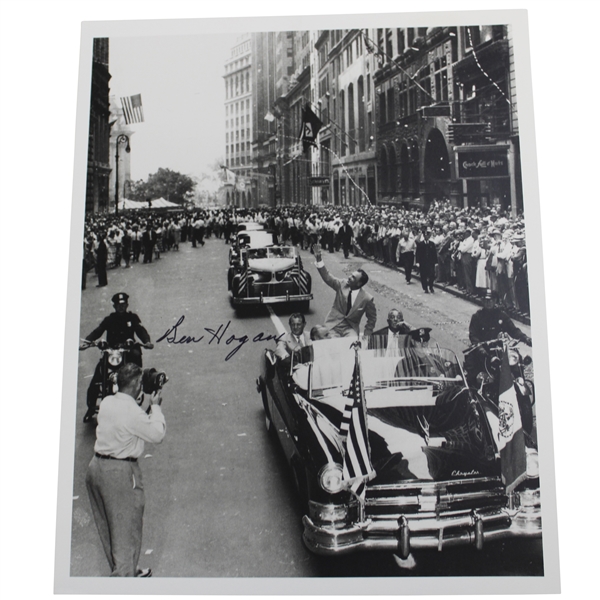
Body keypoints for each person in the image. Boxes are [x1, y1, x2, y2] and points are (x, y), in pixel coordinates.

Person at [85, 363, 166, 577]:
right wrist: (156, 406)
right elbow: (157, 433)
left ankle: (125, 570)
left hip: (96, 470)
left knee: (110, 531)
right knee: (126, 533)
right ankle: (124, 580)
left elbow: (133, 424)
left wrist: (145, 406)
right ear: (138, 385)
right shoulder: (132, 412)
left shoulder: (108, 402)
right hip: (118, 475)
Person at [81, 293, 154, 423]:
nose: (121, 307)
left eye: (123, 304)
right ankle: (91, 408)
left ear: (127, 305)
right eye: (118, 305)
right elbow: (98, 331)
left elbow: (140, 330)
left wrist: (147, 341)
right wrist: (87, 342)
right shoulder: (109, 319)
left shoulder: (132, 318)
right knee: (97, 377)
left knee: (136, 364)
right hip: (112, 352)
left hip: (128, 351)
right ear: (114, 306)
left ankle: (138, 388)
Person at [313, 243, 377, 338]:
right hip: (333, 325)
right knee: (330, 343)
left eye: (353, 277)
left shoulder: (367, 298)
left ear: (359, 284)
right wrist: (319, 260)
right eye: (351, 275)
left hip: (350, 328)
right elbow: (327, 277)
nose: (349, 277)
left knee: (352, 345)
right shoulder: (342, 285)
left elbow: (372, 319)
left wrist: (367, 335)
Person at [415, 227, 437, 294]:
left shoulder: (432, 244)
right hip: (423, 262)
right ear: (424, 236)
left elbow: (434, 254)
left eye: (428, 235)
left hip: (430, 262)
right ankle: (425, 288)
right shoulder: (420, 244)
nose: (426, 237)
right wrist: (417, 262)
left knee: (431, 275)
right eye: (425, 235)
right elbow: (417, 253)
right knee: (423, 275)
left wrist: (436, 262)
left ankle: (431, 286)